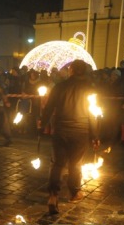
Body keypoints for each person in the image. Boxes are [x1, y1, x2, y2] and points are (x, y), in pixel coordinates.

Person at [39, 59, 100, 215]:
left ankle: (53, 196)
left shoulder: (59, 87)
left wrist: (42, 124)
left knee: (57, 163)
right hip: (81, 131)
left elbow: (49, 107)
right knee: (75, 164)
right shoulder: (90, 89)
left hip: (60, 130)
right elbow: (93, 113)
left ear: (71, 70)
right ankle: (74, 193)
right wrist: (95, 134)